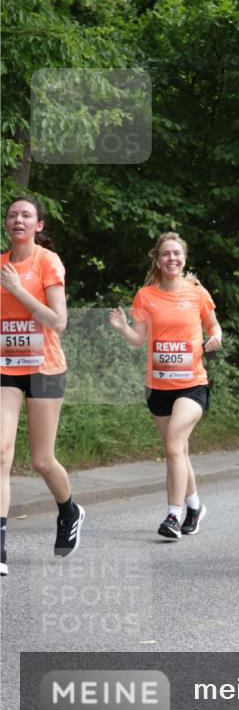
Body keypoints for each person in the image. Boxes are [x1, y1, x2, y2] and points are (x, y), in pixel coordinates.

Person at [109, 232, 221, 538]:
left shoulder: (197, 293)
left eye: (177, 253)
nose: (172, 258)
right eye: (166, 254)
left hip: (192, 385)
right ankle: (195, 506)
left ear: (184, 258)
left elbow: (213, 325)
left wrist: (216, 337)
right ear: (158, 260)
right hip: (158, 387)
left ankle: (173, 515)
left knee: (173, 445)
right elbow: (138, 339)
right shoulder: (145, 296)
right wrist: (122, 328)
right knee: (178, 451)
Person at [1, 195, 84, 575]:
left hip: (45, 368)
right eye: (12, 215)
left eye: (26, 215)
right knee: (1, 452)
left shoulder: (47, 262)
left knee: (42, 460)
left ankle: (69, 510)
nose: (18, 220)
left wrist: (18, 289)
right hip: (6, 366)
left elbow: (58, 321)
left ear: (39, 225)